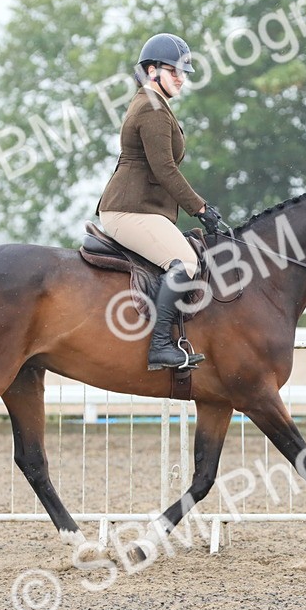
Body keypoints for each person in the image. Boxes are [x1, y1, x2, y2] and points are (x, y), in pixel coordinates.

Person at [95, 33, 226, 370]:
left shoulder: (153, 104)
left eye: (184, 72)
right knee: (185, 262)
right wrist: (199, 207)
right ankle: (160, 346)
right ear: (152, 70)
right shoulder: (152, 109)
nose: (181, 78)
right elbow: (165, 169)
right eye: (175, 71)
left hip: (139, 208)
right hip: (128, 210)